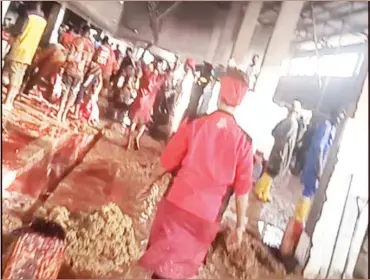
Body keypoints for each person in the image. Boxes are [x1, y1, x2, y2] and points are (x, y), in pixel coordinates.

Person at [138, 67, 253, 279]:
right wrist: (240, 226)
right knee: (179, 270)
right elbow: (242, 190)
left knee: (162, 263)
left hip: (176, 205)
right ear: (241, 101)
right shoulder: (244, 142)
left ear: (219, 93)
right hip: (206, 217)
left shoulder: (195, 124)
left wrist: (149, 183)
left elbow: (167, 161)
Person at [295, 108, 345, 223]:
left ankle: (299, 216)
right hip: (315, 165)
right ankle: (298, 218)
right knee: (308, 191)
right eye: (338, 117)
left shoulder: (332, 128)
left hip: (316, 164)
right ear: (332, 115)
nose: (339, 121)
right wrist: (319, 168)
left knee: (310, 191)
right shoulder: (326, 127)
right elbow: (319, 148)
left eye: (341, 119)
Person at [2, 1, 47, 111]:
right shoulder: (43, 22)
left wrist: (7, 33)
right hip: (29, 53)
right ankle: (10, 101)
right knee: (18, 78)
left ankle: (7, 102)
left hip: (18, 50)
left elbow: (17, 31)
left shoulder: (28, 17)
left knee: (8, 76)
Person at [254, 100, 301, 203]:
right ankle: (259, 189)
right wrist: (280, 152)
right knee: (272, 172)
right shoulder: (293, 123)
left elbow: (274, 131)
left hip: (278, 151)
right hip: (281, 153)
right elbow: (285, 139)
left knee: (272, 172)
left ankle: (265, 192)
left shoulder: (286, 121)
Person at [127, 58, 168, 150]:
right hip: (149, 105)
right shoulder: (158, 80)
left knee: (133, 122)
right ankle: (137, 138)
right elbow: (166, 75)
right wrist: (162, 70)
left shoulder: (146, 74)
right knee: (144, 123)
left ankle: (128, 143)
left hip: (140, 101)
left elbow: (141, 63)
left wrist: (144, 55)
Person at [57, 25, 94, 122]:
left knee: (65, 91)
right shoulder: (90, 46)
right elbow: (88, 63)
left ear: (82, 31)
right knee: (73, 93)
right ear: (89, 33)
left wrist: (63, 67)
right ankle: (64, 115)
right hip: (79, 73)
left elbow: (69, 56)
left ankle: (59, 112)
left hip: (70, 69)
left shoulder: (76, 41)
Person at [170, 58, 196, 135]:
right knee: (176, 119)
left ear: (188, 66)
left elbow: (181, 90)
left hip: (181, 100)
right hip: (184, 100)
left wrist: (176, 100)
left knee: (175, 119)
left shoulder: (188, 77)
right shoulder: (189, 76)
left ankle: (171, 137)